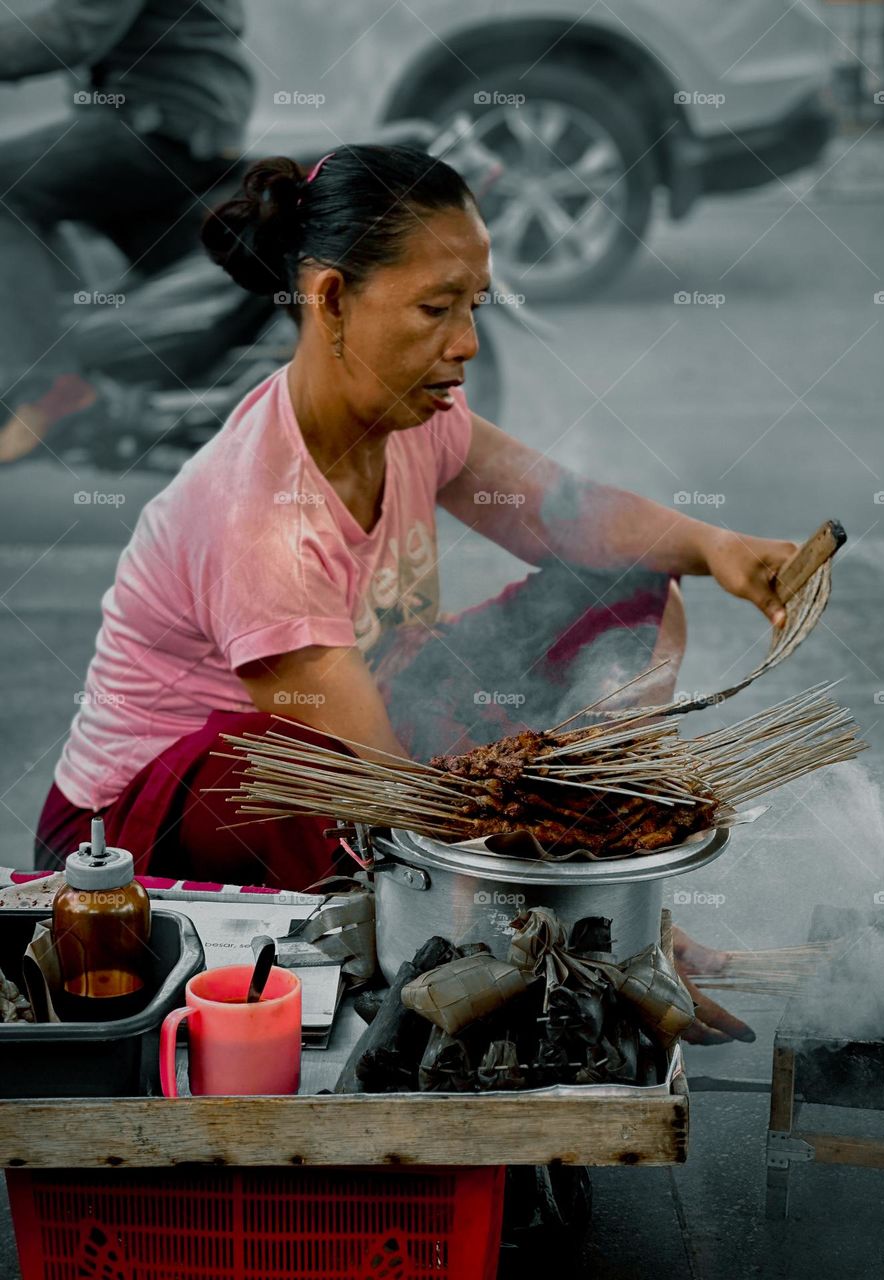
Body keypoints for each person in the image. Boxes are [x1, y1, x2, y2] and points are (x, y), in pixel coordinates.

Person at [34, 144, 796, 1043]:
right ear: (331, 300)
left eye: (473, 306)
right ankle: (531, 947)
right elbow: (390, 791)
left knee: (629, 596)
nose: (465, 342)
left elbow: (567, 514)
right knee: (317, 773)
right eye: (437, 309)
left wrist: (716, 546)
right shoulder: (259, 513)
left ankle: (584, 862)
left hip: (362, 732)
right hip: (131, 840)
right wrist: (615, 938)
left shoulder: (413, 419)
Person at [0, 0, 254, 465]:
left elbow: (72, 31)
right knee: (46, 198)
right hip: (188, 125)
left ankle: (49, 390)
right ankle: (87, 362)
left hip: (158, 126)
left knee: (6, 189)